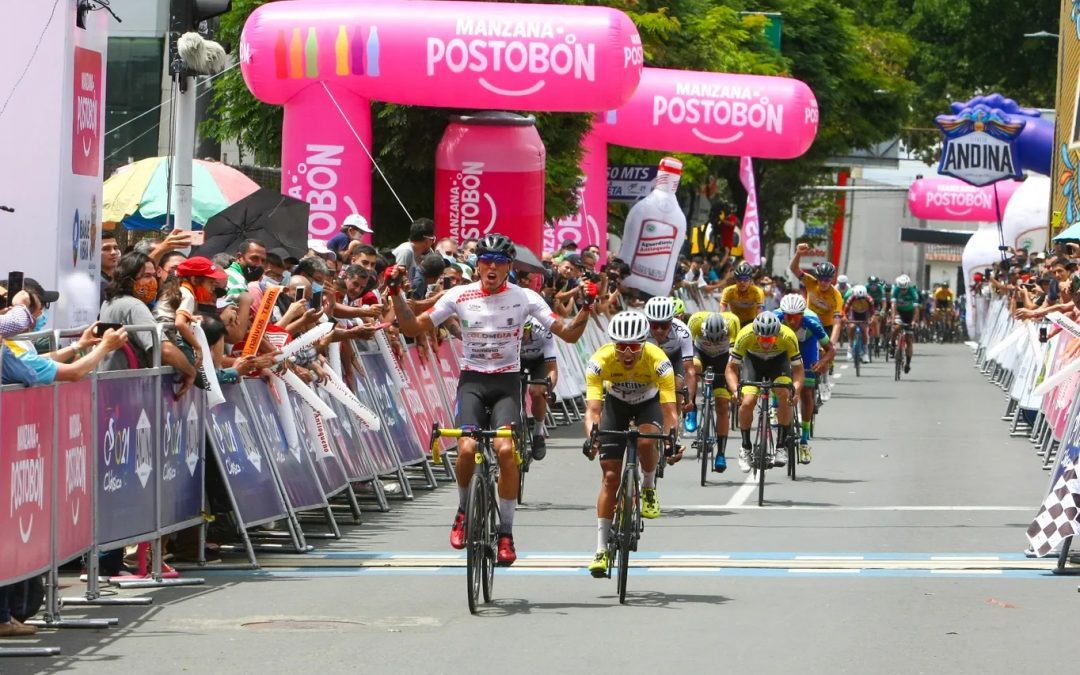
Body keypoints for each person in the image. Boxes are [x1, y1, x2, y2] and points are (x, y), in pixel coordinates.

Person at [390, 233, 592, 566]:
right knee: (467, 448)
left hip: (506, 383)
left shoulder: (525, 297)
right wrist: (396, 294)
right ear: (477, 266)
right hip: (472, 381)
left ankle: (507, 532)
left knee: (505, 451)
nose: (492, 268)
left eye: (499, 263)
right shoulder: (459, 294)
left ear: (509, 267)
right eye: (485, 261)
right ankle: (462, 510)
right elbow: (412, 328)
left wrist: (585, 306)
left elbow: (568, 333)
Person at [583, 311, 678, 576]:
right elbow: (592, 409)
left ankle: (647, 486)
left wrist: (671, 441)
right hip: (616, 404)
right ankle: (601, 549)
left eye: (634, 347)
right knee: (610, 477)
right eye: (621, 346)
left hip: (649, 403)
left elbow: (670, 411)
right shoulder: (599, 361)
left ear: (644, 343)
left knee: (648, 442)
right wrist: (592, 436)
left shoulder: (659, 361)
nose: (627, 353)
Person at [99, 252, 199, 392]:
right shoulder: (134, 306)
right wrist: (190, 371)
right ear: (128, 279)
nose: (153, 281)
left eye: (153, 275)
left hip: (110, 380)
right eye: (146, 276)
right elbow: (165, 349)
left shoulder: (109, 302)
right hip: (129, 386)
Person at [726, 312, 804, 472]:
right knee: (747, 402)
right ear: (756, 334)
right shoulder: (745, 335)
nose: (767, 344)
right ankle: (745, 447)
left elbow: (798, 370)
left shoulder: (787, 336)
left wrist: (796, 391)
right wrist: (735, 390)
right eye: (763, 339)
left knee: (784, 394)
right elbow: (731, 368)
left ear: (777, 335)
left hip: (778, 362)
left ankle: (781, 446)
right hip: (753, 362)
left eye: (770, 339)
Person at [775, 294, 833, 463]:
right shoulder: (775, 319)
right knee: (777, 379)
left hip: (807, 345)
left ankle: (805, 441)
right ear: (783, 314)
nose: (792, 321)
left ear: (802, 314)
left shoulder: (812, 322)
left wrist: (822, 362)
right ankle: (774, 405)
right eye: (788, 317)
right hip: (783, 344)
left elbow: (830, 349)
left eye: (796, 316)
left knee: (807, 392)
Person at [686, 310, 740, 471]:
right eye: (710, 338)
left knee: (723, 405)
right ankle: (692, 408)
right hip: (700, 353)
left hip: (723, 357)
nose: (714, 341)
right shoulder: (695, 320)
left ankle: (721, 453)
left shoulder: (733, 322)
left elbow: (735, 358)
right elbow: (686, 351)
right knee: (693, 367)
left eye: (718, 338)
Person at [642, 296, 696, 432]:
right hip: (648, 360)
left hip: (674, 358)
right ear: (648, 322)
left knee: (677, 386)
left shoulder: (682, 332)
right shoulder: (640, 330)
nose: (659, 330)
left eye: (664, 325)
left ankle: (673, 430)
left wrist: (689, 398)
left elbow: (689, 369)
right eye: (654, 325)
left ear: (672, 322)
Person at [519, 317, 558, 460]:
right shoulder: (508, 332)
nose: (522, 336)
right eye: (518, 332)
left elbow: (552, 369)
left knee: (537, 392)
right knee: (511, 393)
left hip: (540, 360)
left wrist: (548, 388)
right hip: (516, 360)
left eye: (525, 331)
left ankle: (538, 432)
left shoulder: (543, 331)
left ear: (530, 328)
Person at [789, 244, 844, 345]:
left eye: (827, 280)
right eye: (820, 279)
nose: (823, 282)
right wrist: (798, 254)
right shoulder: (810, 282)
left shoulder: (836, 296)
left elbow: (837, 324)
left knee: (826, 354)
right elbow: (793, 269)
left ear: (832, 280)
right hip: (809, 323)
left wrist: (831, 345)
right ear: (816, 278)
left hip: (826, 327)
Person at [890, 274, 920, 373]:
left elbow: (916, 310)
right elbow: (893, 306)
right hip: (899, 312)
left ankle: (908, 363)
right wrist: (893, 318)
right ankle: (893, 345)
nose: (903, 291)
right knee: (897, 327)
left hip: (909, 314)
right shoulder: (896, 290)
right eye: (901, 289)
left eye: (905, 289)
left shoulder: (913, 292)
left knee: (909, 340)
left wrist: (914, 321)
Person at [720, 261, 766, 326]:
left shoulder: (757, 292)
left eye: (745, 279)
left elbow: (759, 313)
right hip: (734, 321)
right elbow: (722, 310)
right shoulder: (728, 291)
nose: (742, 282)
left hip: (751, 322)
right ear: (735, 280)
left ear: (750, 280)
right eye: (739, 279)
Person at [843, 285, 875, 361]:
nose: (860, 300)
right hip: (853, 313)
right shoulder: (851, 298)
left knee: (864, 330)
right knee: (852, 327)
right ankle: (850, 348)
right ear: (855, 295)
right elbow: (844, 310)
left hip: (864, 314)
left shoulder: (869, 299)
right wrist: (844, 317)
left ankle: (865, 353)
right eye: (858, 298)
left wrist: (871, 319)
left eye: (862, 298)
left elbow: (872, 312)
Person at [100, 231, 121, 305]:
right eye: (106, 249)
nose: (113, 252)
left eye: (115, 248)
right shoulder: (95, 283)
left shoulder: (122, 279)